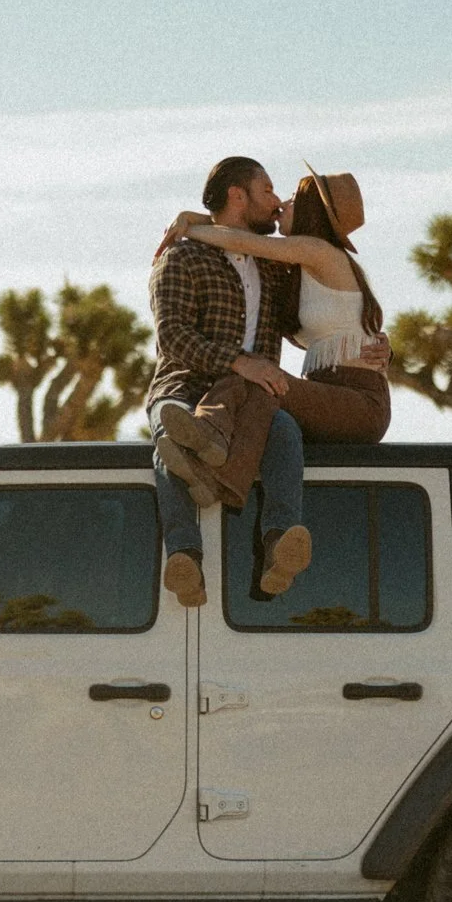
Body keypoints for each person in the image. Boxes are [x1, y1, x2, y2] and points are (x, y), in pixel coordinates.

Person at [156, 168, 391, 506]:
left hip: (358, 400)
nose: (281, 204)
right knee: (263, 384)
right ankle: (218, 479)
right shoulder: (298, 272)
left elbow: (241, 240)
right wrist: (188, 216)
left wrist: (188, 228)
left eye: (293, 200)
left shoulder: (319, 251)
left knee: (259, 377)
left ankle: (208, 432)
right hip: (326, 390)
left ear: (313, 211)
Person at [145, 157, 310, 608]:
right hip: (185, 386)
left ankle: (279, 543)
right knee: (170, 435)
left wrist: (375, 341)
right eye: (269, 190)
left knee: (285, 433)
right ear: (238, 195)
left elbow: (316, 310)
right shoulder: (181, 256)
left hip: (250, 401)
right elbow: (173, 336)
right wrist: (240, 363)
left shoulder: (274, 264)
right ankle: (185, 558)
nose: (276, 203)